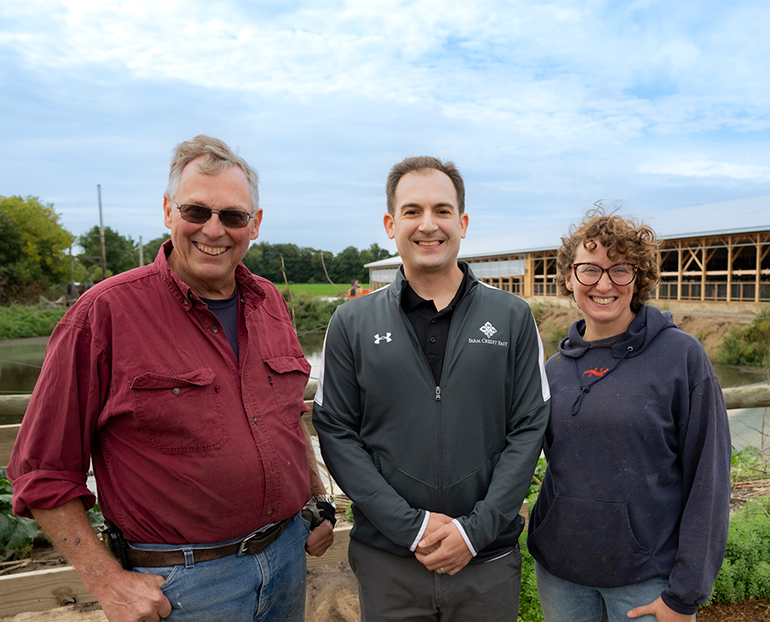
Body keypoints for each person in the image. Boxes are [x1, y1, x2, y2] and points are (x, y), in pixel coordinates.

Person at [8, 135, 334, 622]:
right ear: (167, 212)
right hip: (183, 586)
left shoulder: (268, 302)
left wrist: (316, 499)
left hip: (287, 558)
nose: (214, 229)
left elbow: (287, 414)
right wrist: (108, 583)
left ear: (255, 224)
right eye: (197, 211)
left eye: (233, 216)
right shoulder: (104, 314)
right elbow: (42, 472)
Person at [313, 156, 551, 621]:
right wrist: (411, 527)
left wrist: (473, 532)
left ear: (462, 223)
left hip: (486, 563)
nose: (428, 225)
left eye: (442, 210)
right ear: (390, 223)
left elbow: (529, 429)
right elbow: (336, 432)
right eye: (412, 211)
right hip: (390, 566)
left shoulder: (512, 317)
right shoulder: (351, 322)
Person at [527, 209, 731, 622]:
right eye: (589, 270)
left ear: (638, 278)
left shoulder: (681, 358)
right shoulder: (552, 371)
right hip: (560, 575)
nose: (604, 284)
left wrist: (685, 594)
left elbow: (709, 478)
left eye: (620, 269)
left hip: (647, 580)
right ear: (569, 278)